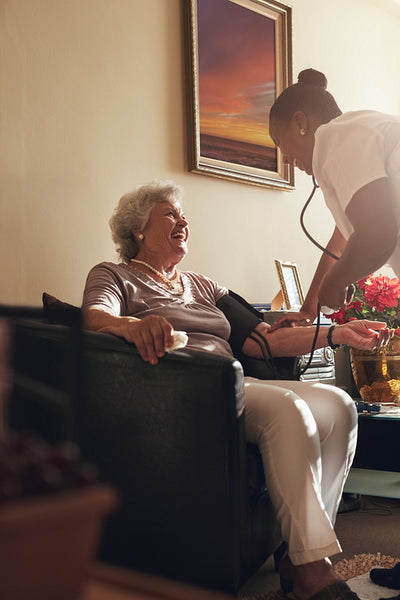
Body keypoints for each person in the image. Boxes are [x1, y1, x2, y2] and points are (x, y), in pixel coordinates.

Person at [82, 179, 393, 600]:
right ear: (138, 230)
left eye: (182, 213)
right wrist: (137, 325)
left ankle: (296, 553)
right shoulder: (113, 275)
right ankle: (313, 569)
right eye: (170, 213)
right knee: (287, 408)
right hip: (178, 390)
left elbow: (266, 339)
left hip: (232, 383)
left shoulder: (204, 286)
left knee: (339, 406)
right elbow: (95, 318)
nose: (183, 220)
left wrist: (339, 332)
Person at [268, 67, 400, 327]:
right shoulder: (356, 132)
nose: (283, 157)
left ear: (300, 123)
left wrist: (336, 281)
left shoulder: (335, 136)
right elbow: (339, 245)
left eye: (278, 140)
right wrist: (309, 309)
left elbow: (377, 235)